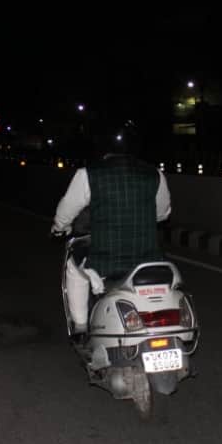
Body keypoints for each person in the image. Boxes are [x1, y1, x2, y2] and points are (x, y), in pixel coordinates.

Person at [51, 121, 171, 339]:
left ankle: (80, 326)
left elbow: (66, 210)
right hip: (147, 260)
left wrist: (60, 227)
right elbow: (162, 213)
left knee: (73, 267)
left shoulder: (88, 174)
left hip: (104, 262)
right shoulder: (155, 174)